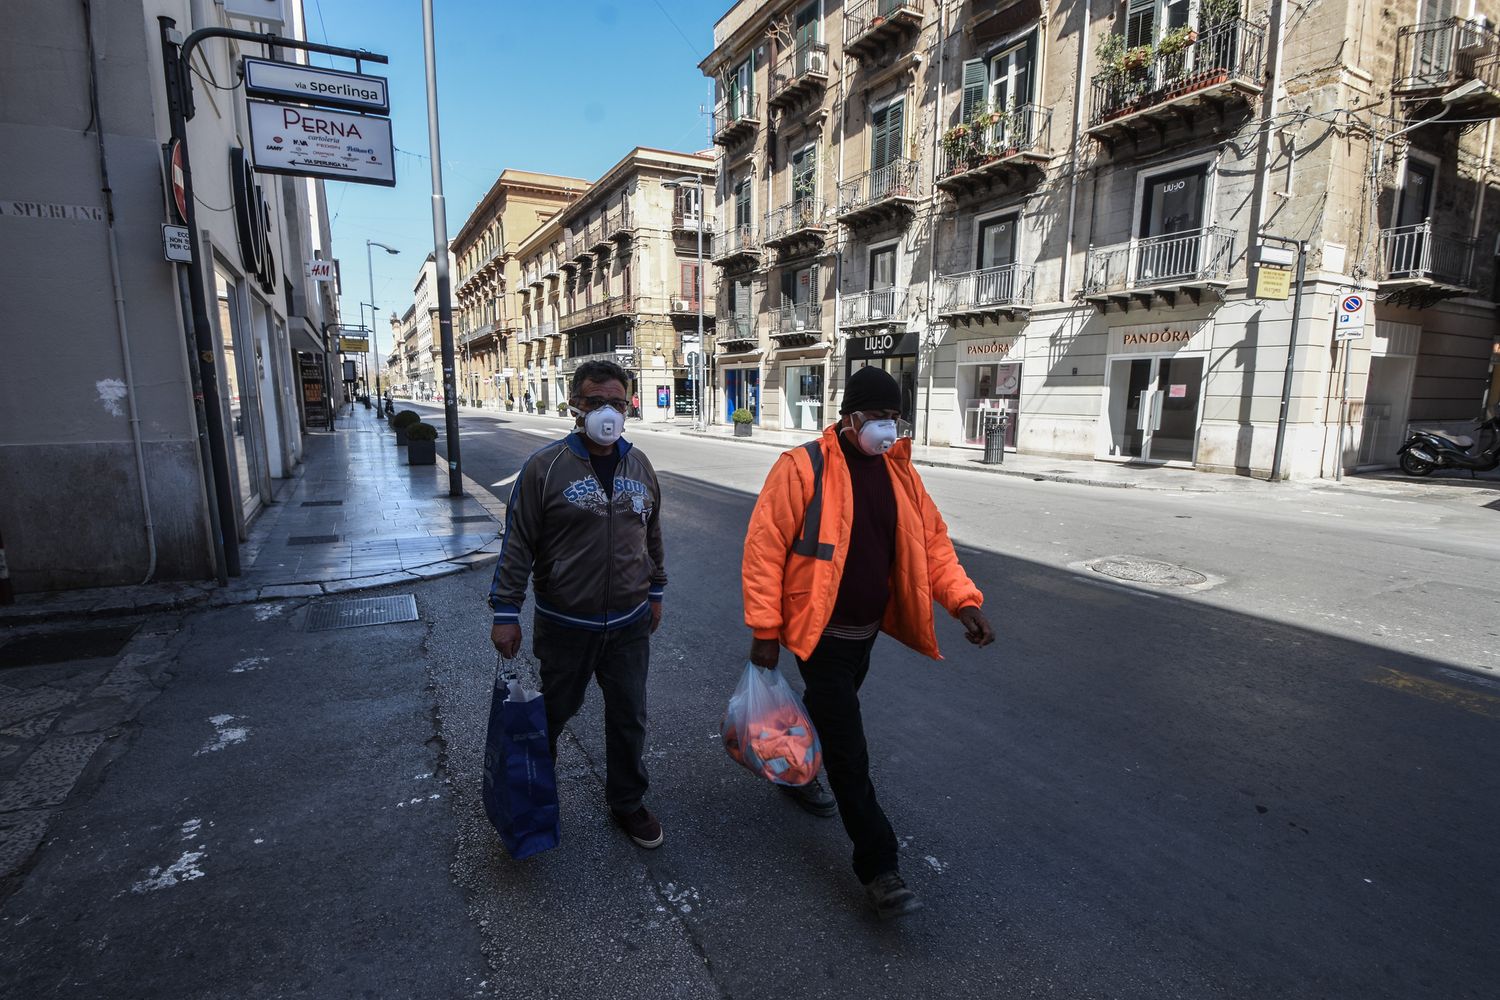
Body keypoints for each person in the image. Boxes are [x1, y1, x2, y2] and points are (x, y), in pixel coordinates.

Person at [741, 365, 995, 920]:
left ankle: (794, 770)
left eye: (894, 417)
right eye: (877, 416)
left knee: (827, 716)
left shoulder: (900, 473)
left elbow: (933, 545)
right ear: (850, 417)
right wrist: (765, 632)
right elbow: (764, 551)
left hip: (864, 634)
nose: (887, 428)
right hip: (819, 636)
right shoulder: (802, 467)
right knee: (849, 750)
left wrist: (964, 602)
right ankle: (879, 867)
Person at [489, 359, 668, 849]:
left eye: (617, 403)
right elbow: (518, 543)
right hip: (566, 625)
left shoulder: (640, 464)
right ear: (575, 406)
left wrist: (655, 591)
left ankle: (627, 802)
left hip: (629, 624)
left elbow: (651, 535)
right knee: (551, 715)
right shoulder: (545, 468)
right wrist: (506, 611)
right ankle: (532, 800)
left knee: (629, 716)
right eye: (596, 402)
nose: (607, 412)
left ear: (628, 408)